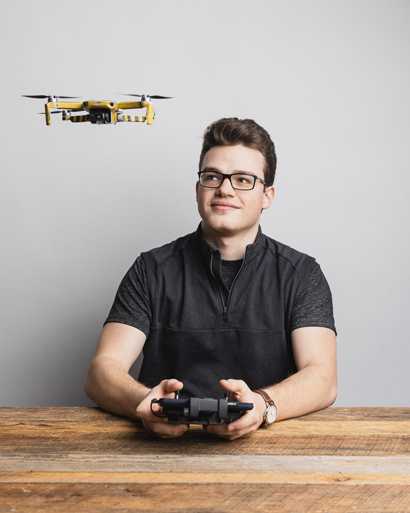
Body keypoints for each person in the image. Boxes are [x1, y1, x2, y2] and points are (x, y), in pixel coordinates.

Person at [85, 117, 337, 440]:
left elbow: (323, 377)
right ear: (198, 189)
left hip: (270, 452)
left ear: (267, 196)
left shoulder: (301, 274)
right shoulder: (150, 270)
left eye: (243, 179)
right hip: (162, 452)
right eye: (212, 176)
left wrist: (263, 405)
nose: (225, 189)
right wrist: (144, 402)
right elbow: (101, 371)